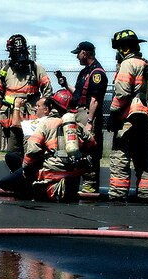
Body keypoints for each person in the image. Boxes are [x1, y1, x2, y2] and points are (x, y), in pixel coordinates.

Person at [0, 90, 97, 202]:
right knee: (12, 157)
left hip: (50, 173)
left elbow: (33, 149)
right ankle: (63, 186)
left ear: (52, 106)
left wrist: (26, 170)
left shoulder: (46, 124)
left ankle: (44, 190)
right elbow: (92, 145)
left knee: (5, 183)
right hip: (73, 175)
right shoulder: (78, 126)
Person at [106, 29, 148, 201]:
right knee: (143, 158)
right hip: (144, 117)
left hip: (128, 118)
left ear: (122, 48)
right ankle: (145, 194)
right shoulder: (145, 64)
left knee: (120, 155)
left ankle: (118, 195)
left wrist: (113, 116)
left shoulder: (128, 65)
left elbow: (122, 94)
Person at [0, 34, 53, 159]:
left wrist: (43, 110)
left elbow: (48, 90)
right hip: (12, 117)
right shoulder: (5, 70)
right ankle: (16, 175)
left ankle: (30, 175)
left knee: (31, 151)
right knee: (13, 152)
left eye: (22, 52)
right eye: (16, 53)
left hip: (31, 119)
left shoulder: (35, 68)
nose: (20, 57)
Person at [56, 41, 108, 193]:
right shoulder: (84, 72)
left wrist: (90, 122)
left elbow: (95, 100)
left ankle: (90, 188)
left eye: (78, 53)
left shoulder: (97, 73)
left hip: (87, 114)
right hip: (78, 113)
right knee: (75, 149)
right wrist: (65, 84)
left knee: (90, 150)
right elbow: (79, 94)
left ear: (85, 53)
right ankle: (74, 185)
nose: (77, 57)